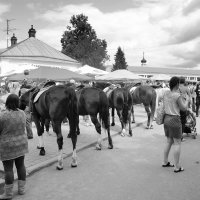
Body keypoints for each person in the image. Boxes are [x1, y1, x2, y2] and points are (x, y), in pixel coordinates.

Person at [0, 94, 28, 199]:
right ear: (18, 103)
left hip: (7, 146)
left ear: (7, 102)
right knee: (21, 166)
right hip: (21, 143)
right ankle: (21, 190)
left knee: (8, 169)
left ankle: (8, 194)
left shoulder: (2, 115)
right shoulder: (22, 113)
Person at [162, 76, 189, 173]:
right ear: (177, 84)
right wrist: (187, 100)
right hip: (175, 120)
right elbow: (184, 108)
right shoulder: (177, 96)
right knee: (177, 143)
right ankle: (177, 167)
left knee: (169, 141)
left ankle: (165, 161)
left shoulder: (166, 94)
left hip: (166, 119)